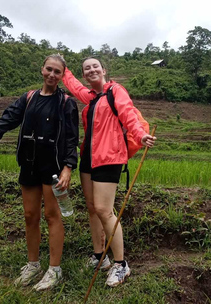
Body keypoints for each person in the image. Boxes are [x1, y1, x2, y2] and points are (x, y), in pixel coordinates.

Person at [62, 57, 155, 287]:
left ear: (104, 70)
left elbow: (128, 114)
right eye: (87, 68)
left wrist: (140, 135)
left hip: (109, 158)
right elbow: (74, 87)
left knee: (104, 209)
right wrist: (64, 69)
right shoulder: (91, 97)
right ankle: (99, 256)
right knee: (92, 209)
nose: (91, 70)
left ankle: (121, 264)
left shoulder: (116, 91)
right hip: (88, 159)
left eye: (95, 66)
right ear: (84, 74)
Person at [0, 54, 79, 291]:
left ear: (62, 76)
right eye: (48, 69)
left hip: (53, 168)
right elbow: (7, 120)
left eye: (57, 72)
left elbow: (71, 139)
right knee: (30, 215)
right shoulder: (28, 98)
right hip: (29, 164)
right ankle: (33, 265)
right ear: (42, 69)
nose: (52, 74)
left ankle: (54, 269)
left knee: (52, 216)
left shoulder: (66, 102)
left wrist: (68, 167)